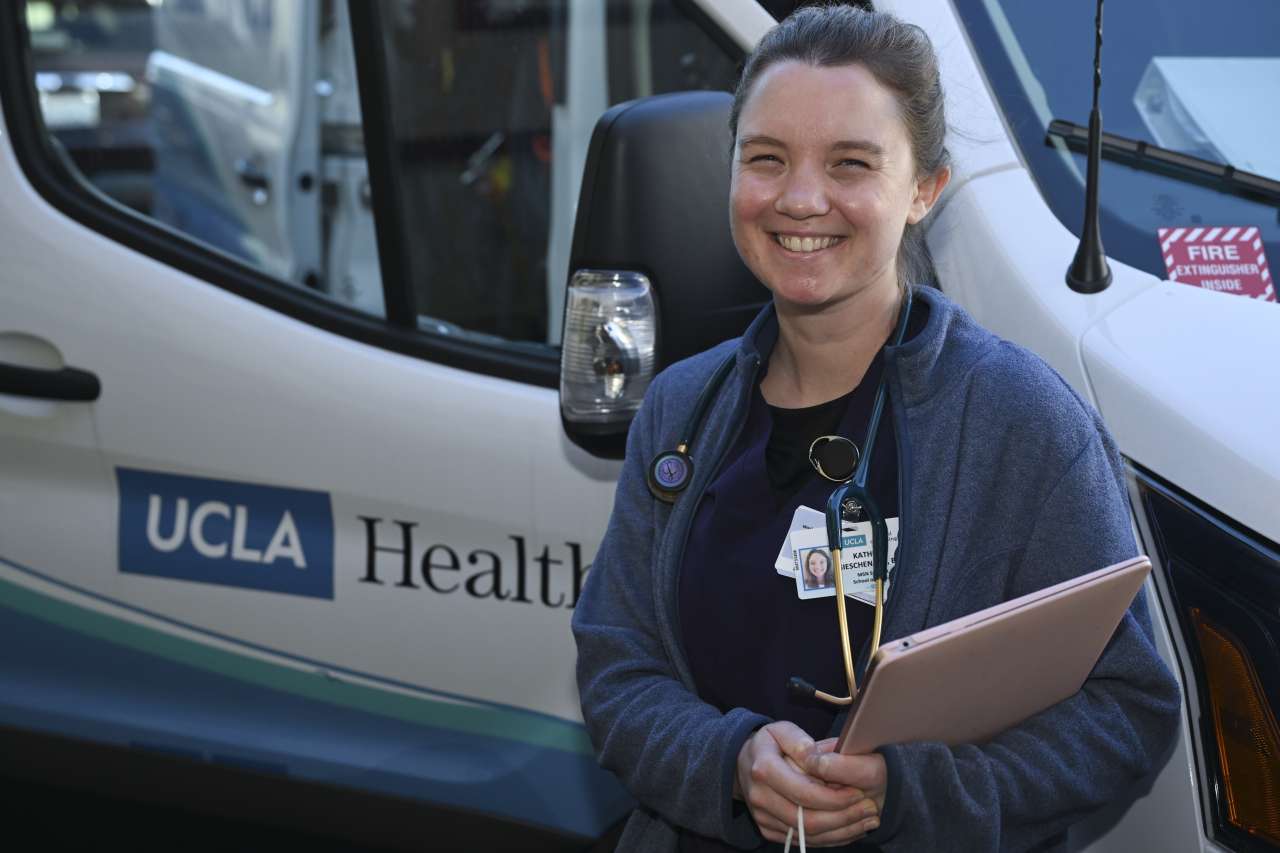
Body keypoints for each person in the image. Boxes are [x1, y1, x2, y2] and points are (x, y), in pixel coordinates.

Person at [572, 6, 1180, 852]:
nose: (801, 198)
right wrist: (731, 764)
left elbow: (1127, 707)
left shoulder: (1021, 422)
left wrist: (911, 793)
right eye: (767, 159)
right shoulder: (680, 411)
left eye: (850, 163)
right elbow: (617, 667)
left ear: (924, 190)